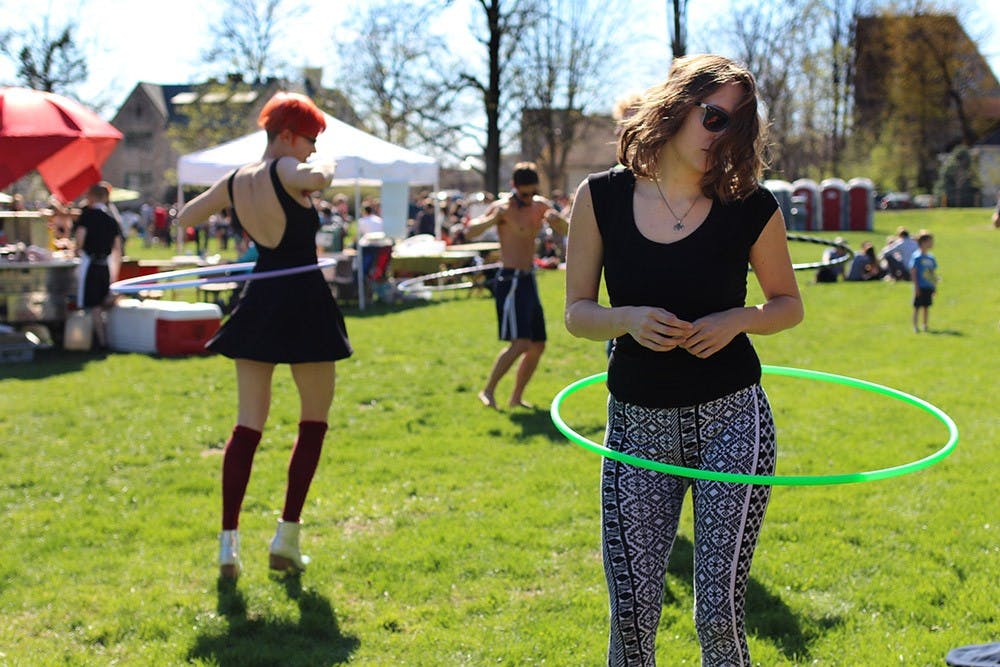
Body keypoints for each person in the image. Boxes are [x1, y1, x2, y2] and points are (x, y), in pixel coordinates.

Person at [564, 54, 803, 666]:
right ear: (676, 106)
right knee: (631, 621)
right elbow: (577, 313)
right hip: (637, 426)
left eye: (737, 127)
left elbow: (788, 305)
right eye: (714, 118)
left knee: (718, 617)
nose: (722, 138)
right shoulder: (600, 197)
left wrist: (737, 320)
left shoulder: (751, 206)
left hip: (733, 420)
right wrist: (626, 319)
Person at [175, 92, 352, 579]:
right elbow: (315, 178)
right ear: (287, 136)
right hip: (304, 303)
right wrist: (327, 166)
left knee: (247, 426)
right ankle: (286, 537)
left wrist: (216, 202)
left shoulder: (235, 179)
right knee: (313, 422)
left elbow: (186, 217)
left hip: (259, 302)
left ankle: (228, 545)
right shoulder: (286, 169)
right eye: (311, 140)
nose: (313, 149)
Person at [466, 162, 569, 409]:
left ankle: (516, 398)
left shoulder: (540, 205)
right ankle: (488, 391)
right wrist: (493, 220)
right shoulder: (502, 208)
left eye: (533, 192)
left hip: (528, 279)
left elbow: (570, 230)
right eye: (525, 194)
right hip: (510, 280)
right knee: (521, 342)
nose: (529, 198)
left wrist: (557, 221)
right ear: (514, 187)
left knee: (538, 344)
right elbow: (469, 232)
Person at [73, 183, 124, 349]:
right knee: (104, 302)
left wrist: (76, 250)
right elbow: (118, 248)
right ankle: (106, 336)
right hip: (106, 265)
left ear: (91, 197)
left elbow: (80, 240)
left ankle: (101, 340)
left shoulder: (87, 216)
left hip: (91, 265)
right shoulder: (111, 219)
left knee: (94, 304)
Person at [910, 230, 938, 332]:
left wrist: (934, 286)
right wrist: (916, 287)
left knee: (926, 306)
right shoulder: (917, 257)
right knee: (917, 307)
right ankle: (915, 326)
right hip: (920, 286)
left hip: (928, 286)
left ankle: (925, 325)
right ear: (923, 242)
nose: (932, 243)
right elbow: (913, 272)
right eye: (930, 241)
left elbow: (932, 272)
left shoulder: (931, 258)